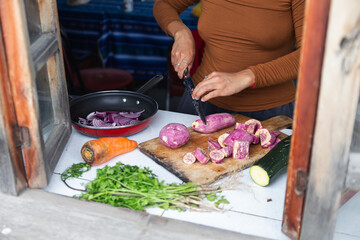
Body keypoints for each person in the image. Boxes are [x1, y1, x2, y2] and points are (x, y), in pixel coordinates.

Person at [153, 0, 305, 121]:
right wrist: (180, 32)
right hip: (202, 101)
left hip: (270, 113)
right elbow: (164, 4)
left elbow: (311, 55)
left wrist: (247, 76)